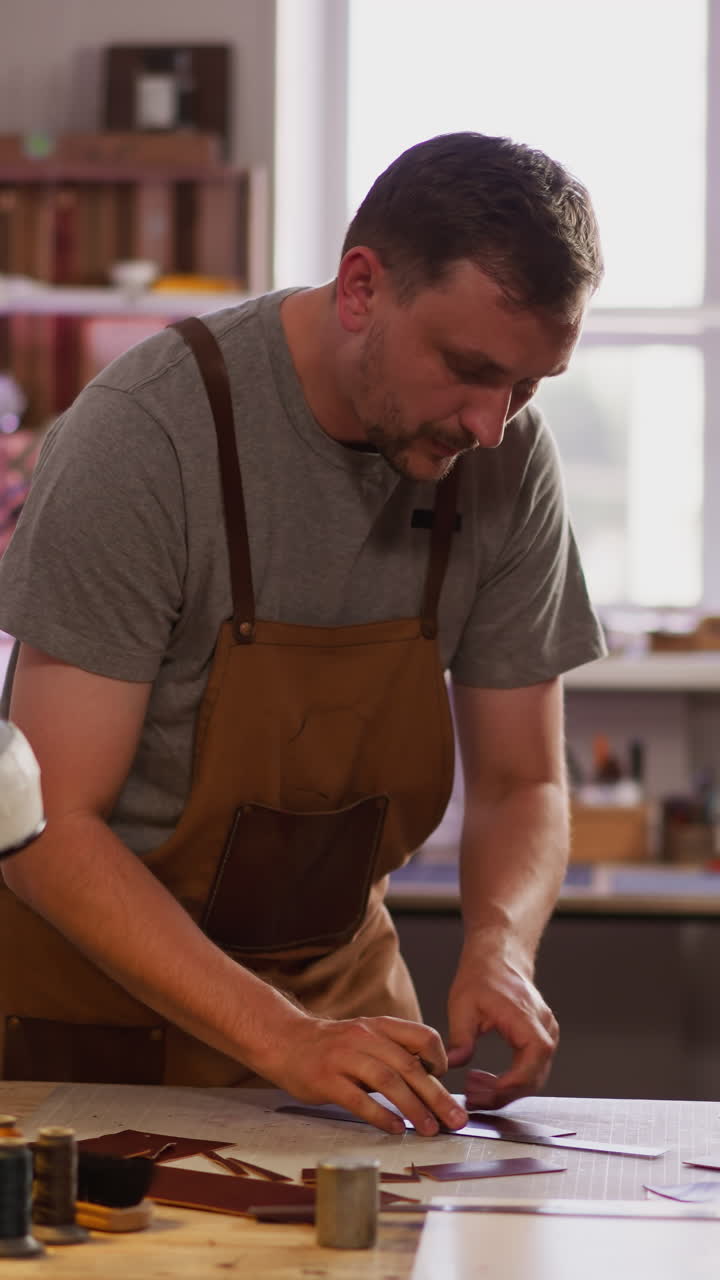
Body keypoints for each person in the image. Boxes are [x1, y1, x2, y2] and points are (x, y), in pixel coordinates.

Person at [0, 131, 605, 1136]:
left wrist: (501, 943)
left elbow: (522, 780)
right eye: (469, 369)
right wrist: (281, 1037)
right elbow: (45, 826)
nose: (492, 424)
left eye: (529, 387)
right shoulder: (146, 438)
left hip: (343, 1023)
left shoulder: (502, 457)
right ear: (361, 287)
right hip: (95, 1029)